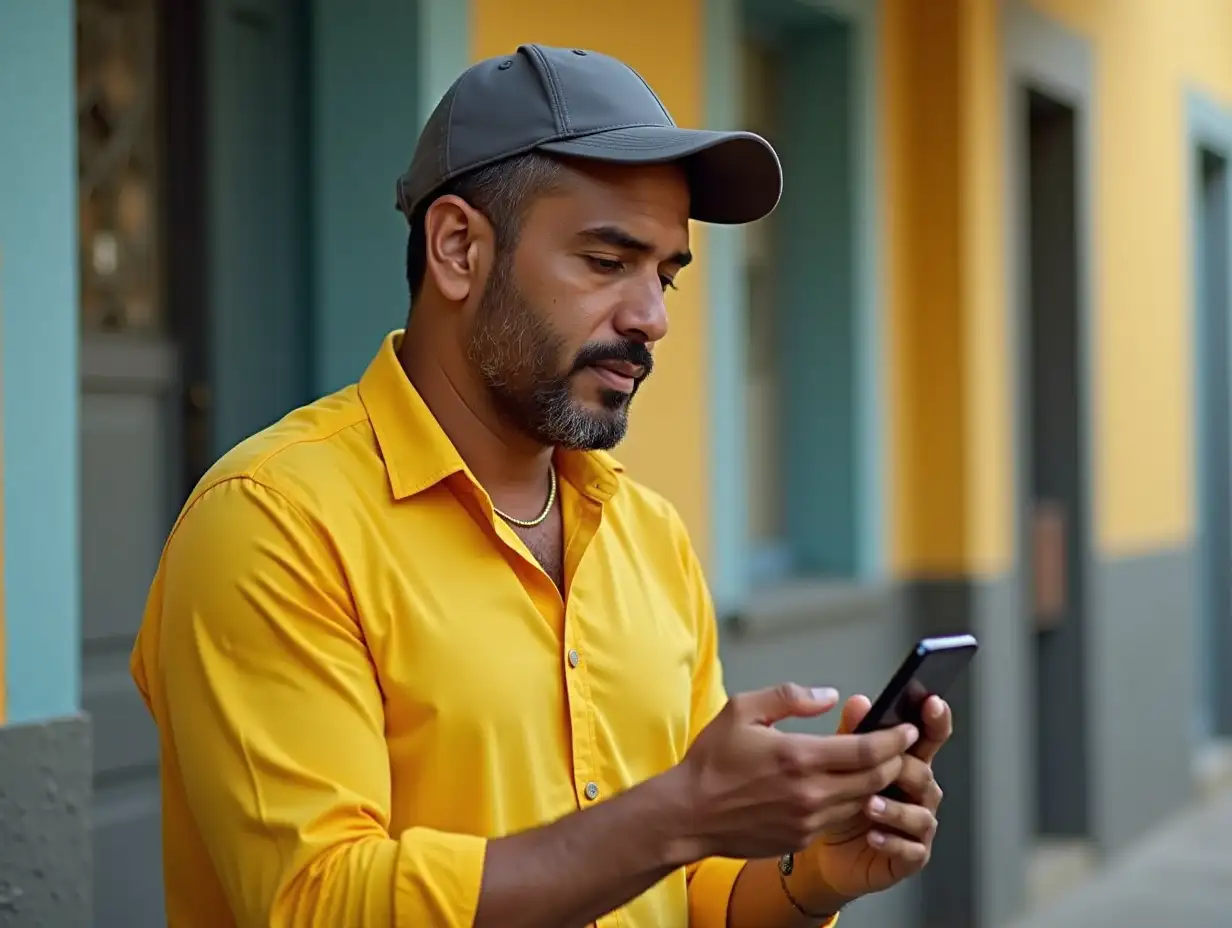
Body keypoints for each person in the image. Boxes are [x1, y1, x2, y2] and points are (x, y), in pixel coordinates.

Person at [131, 43, 951, 928]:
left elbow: (690, 894)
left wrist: (814, 874)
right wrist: (677, 815)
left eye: (666, 274)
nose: (653, 318)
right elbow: (320, 904)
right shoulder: (272, 522)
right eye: (608, 262)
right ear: (457, 249)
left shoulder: (650, 536)